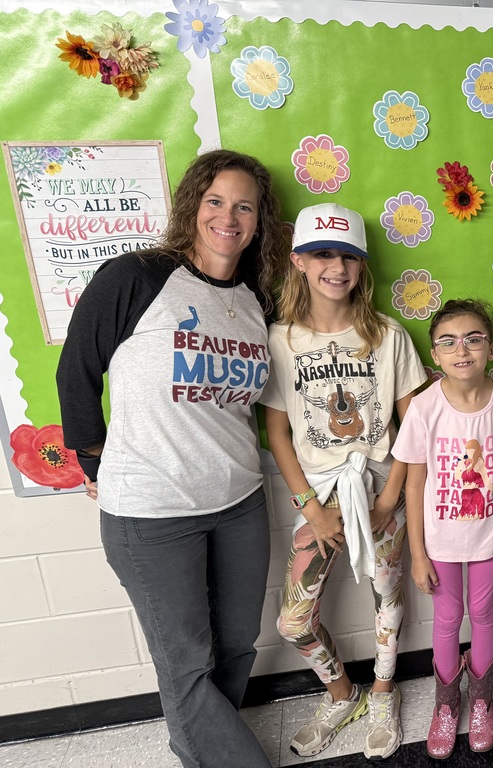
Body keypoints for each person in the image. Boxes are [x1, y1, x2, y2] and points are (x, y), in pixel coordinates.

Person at [55, 149, 287, 768]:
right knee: (185, 661)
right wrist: (97, 467)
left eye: (244, 206)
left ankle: (201, 750)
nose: (228, 217)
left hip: (239, 502)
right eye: (215, 201)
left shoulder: (257, 301)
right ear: (193, 205)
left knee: (238, 645)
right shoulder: (136, 276)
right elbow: (77, 373)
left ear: (260, 221)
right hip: (152, 513)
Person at [261, 202, 426, 760]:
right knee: (292, 619)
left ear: (362, 265)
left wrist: (389, 496)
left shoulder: (387, 335)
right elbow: (278, 433)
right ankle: (342, 692)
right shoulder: (280, 339)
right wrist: (311, 508)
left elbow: (415, 426)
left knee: (387, 595)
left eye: (349, 256)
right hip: (322, 499)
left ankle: (383, 690)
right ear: (299, 261)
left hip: (381, 490)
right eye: (323, 254)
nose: (337, 266)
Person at [392, 299, 493, 757]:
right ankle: (445, 705)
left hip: (490, 540)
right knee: (446, 619)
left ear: (491, 348)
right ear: (434, 355)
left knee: (483, 615)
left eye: (474, 339)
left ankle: (481, 701)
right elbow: (414, 483)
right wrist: (417, 553)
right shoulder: (423, 407)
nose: (463, 350)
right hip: (439, 543)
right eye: (449, 342)